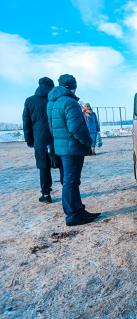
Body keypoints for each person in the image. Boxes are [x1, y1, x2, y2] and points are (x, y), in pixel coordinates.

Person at [47, 74, 100, 226]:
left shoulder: (52, 103)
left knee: (71, 181)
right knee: (71, 181)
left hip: (62, 148)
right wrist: (87, 143)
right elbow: (77, 128)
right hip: (72, 148)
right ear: (73, 86)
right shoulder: (70, 102)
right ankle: (72, 215)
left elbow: (51, 127)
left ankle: (78, 210)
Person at [22, 77, 56, 203]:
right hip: (56, 138)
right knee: (62, 164)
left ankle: (46, 194)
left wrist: (29, 140)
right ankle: (68, 192)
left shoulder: (30, 101)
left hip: (40, 139)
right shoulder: (54, 99)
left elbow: (27, 123)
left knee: (43, 167)